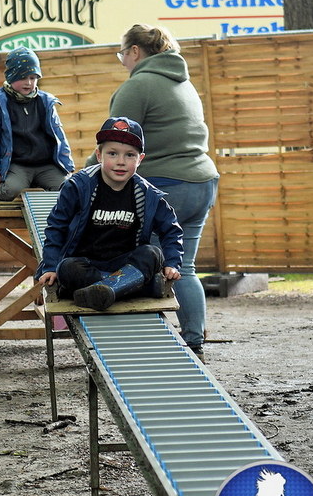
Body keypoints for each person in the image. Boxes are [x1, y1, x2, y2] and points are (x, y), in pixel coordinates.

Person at [88, 24, 219, 358]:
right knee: (183, 267)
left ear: (135, 52)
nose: (122, 61)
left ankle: (144, 348)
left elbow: (115, 141)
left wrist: (84, 174)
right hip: (202, 183)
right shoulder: (183, 82)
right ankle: (194, 341)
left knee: (144, 267)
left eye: (122, 54)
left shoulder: (138, 85)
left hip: (166, 187)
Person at [36, 117, 183, 311]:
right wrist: (50, 266)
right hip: (87, 263)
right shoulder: (78, 186)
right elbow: (56, 226)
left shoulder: (146, 194)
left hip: (126, 264)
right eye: (112, 153)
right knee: (67, 268)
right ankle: (129, 287)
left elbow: (171, 229)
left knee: (152, 254)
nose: (121, 162)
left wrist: (172, 263)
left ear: (140, 159)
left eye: (130, 155)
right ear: (99, 155)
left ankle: (105, 290)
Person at [0, 46, 74, 200]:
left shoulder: (46, 102)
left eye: (33, 78)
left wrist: (68, 167)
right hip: (17, 165)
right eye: (22, 77)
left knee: (69, 190)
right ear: (11, 76)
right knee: (8, 191)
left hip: (45, 164)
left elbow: (59, 136)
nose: (28, 82)